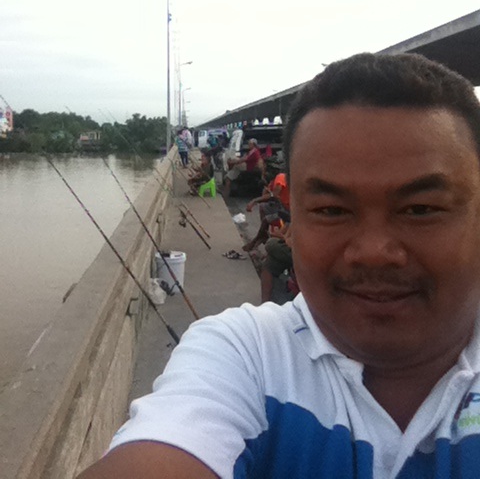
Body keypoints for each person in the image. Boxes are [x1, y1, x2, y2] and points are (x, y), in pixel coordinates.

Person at [79, 52, 480, 478]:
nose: (373, 252)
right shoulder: (245, 355)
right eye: (330, 210)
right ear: (296, 218)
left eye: (419, 209)